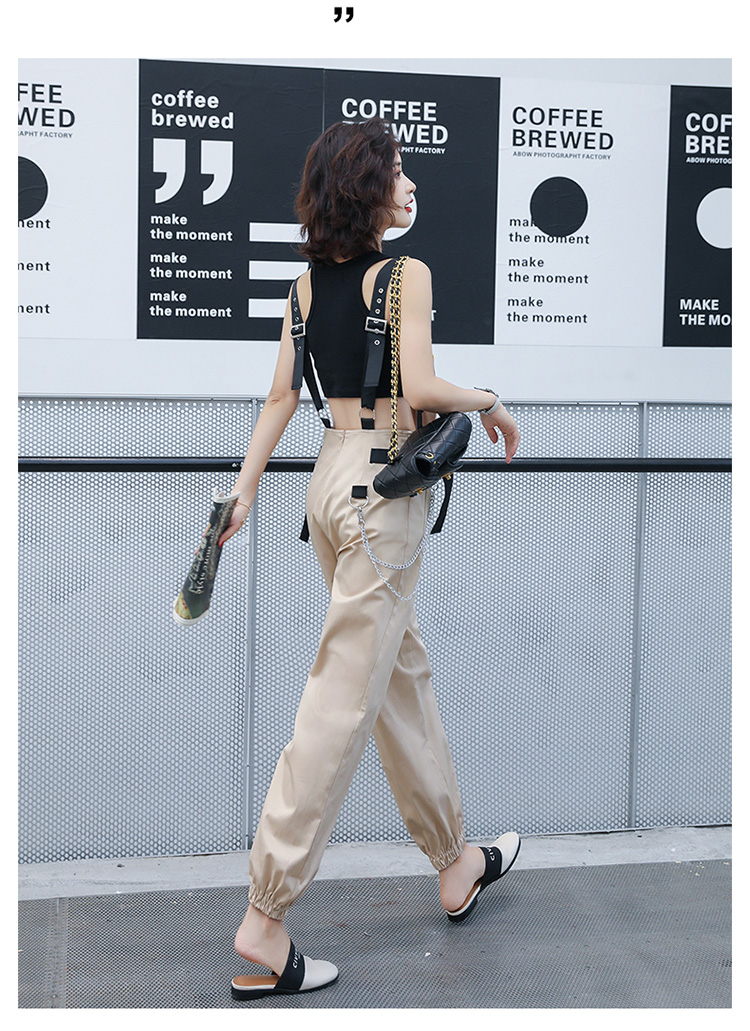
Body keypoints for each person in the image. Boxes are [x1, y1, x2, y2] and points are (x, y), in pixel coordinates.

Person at [220, 117, 521, 1001]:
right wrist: (490, 399)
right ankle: (266, 915)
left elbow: (280, 399)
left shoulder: (304, 287)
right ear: (367, 186)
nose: (411, 181)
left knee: (397, 675)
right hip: (382, 493)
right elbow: (420, 388)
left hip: (329, 483)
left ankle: (455, 860)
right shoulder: (404, 274)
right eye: (398, 168)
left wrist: (243, 492)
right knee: (341, 699)